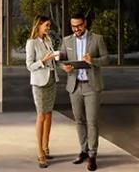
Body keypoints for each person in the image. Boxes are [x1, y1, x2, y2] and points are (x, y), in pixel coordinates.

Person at [61, 12, 109, 171]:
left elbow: (107, 59)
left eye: (79, 26)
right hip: (74, 86)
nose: (76, 29)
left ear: (85, 23)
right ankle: (83, 150)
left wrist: (93, 61)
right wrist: (64, 67)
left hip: (92, 86)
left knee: (92, 121)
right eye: (73, 26)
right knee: (79, 120)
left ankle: (93, 155)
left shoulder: (97, 39)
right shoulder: (66, 40)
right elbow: (60, 60)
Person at [25, 15, 59, 168]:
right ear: (38, 25)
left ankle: (46, 147)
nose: (48, 28)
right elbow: (29, 65)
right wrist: (43, 61)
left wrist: (55, 57)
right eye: (46, 25)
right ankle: (39, 152)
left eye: (49, 25)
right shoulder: (31, 43)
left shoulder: (48, 41)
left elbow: (51, 59)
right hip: (39, 83)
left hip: (51, 79)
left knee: (49, 114)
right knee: (41, 116)